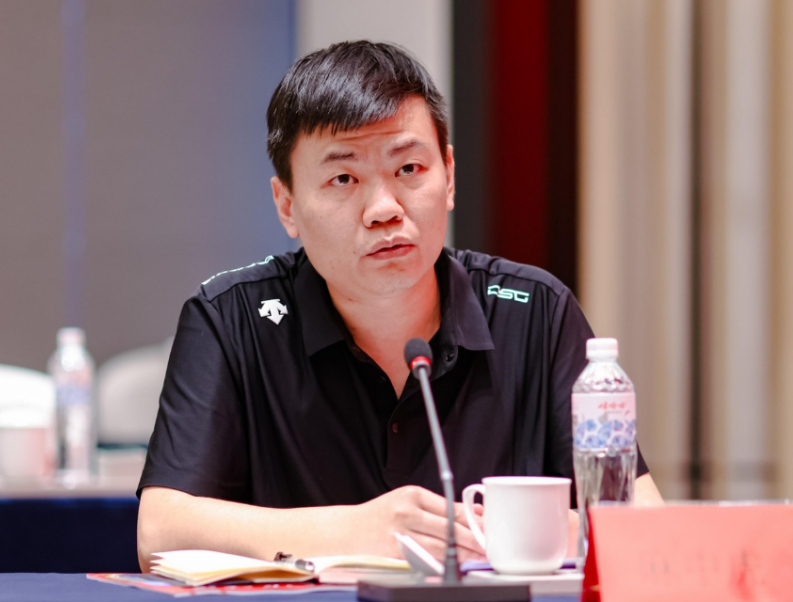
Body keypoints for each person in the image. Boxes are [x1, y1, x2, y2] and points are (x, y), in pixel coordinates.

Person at [136, 40, 662, 572]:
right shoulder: (230, 322)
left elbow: (642, 528)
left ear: (449, 175)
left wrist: (495, 533)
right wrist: (360, 531)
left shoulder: (536, 314)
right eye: (343, 179)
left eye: (409, 168)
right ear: (287, 205)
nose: (384, 209)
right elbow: (160, 531)